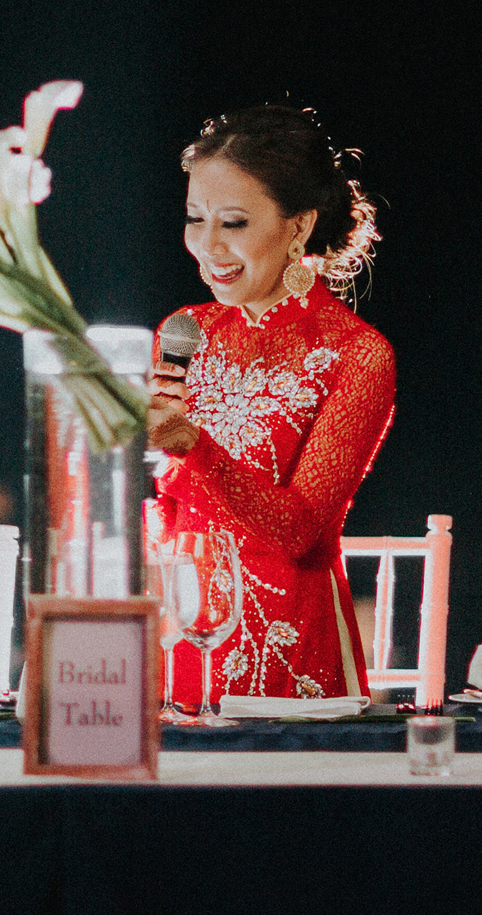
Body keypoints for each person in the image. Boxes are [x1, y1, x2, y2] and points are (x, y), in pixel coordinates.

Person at [147, 105, 394, 705]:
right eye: (195, 218)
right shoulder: (184, 331)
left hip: (292, 648)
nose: (208, 245)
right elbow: (169, 506)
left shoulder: (356, 354)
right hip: (182, 634)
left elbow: (299, 531)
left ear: (299, 226)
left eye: (233, 222)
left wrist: (192, 446)